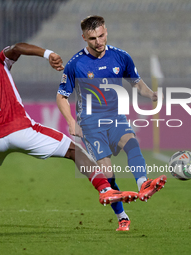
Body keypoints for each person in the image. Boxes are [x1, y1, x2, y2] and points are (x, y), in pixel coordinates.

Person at [0, 43, 139, 237]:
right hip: (21, 129)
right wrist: (48, 54)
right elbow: (17, 47)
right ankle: (105, 189)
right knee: (75, 151)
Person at [56, 15, 167, 231]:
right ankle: (122, 217)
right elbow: (61, 96)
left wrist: (152, 94)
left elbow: (137, 83)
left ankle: (142, 184)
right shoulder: (75, 64)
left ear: (106, 30)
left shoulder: (121, 57)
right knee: (107, 173)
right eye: (92, 38)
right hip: (90, 123)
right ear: (84, 38)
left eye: (101, 35)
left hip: (116, 117)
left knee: (131, 143)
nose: (98, 42)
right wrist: (71, 122)